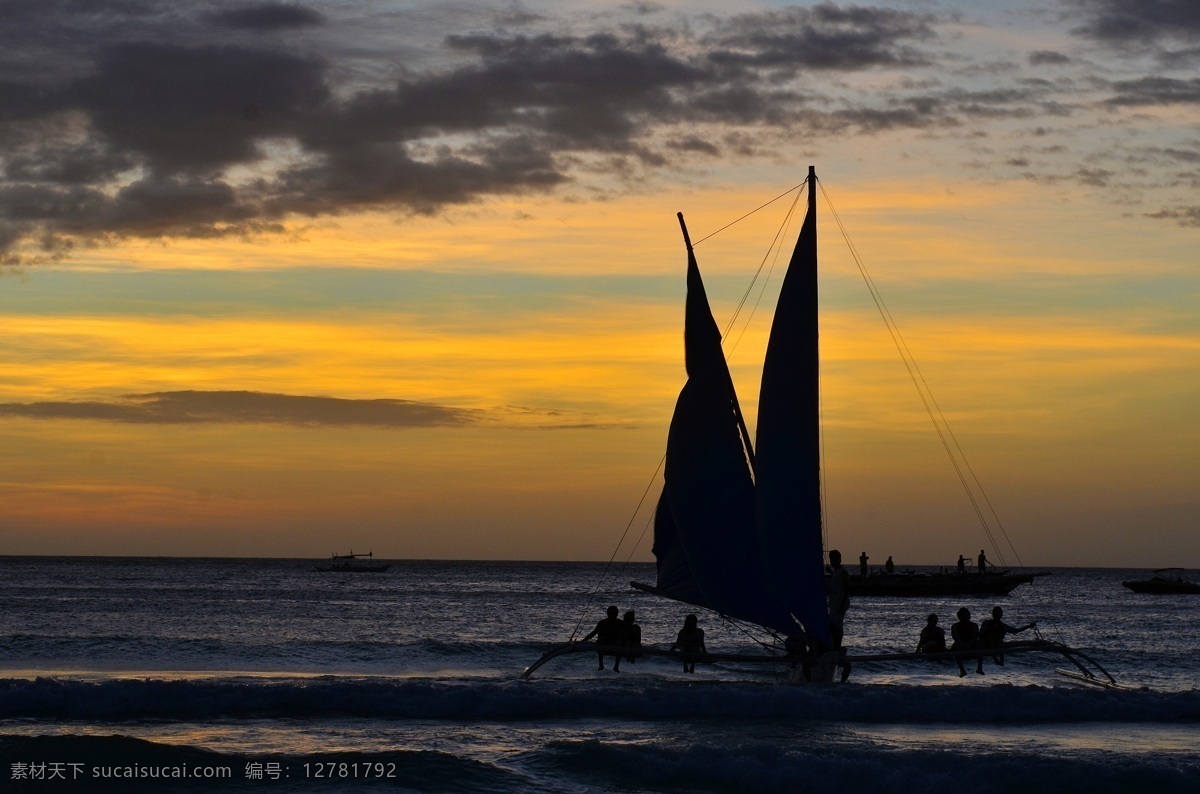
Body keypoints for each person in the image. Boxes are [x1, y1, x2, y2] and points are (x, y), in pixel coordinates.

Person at [581, 605, 624, 671]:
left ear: (617, 614)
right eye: (610, 613)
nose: (612, 615)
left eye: (614, 613)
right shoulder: (602, 622)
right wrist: (583, 640)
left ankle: (616, 665)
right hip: (604, 641)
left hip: (615, 642)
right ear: (608, 614)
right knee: (600, 640)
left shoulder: (620, 623)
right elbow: (594, 633)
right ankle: (601, 664)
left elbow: (625, 634)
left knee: (620, 642)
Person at [827, 549, 851, 649]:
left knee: (837, 627)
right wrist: (831, 572)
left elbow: (846, 588)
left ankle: (837, 646)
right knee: (832, 625)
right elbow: (836, 580)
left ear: (839, 560)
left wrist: (842, 604)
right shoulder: (836, 572)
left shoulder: (843, 572)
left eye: (834, 559)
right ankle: (833, 645)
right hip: (835, 604)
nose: (832, 561)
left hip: (840, 604)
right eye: (831, 559)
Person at [950, 606, 984, 676]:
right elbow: (955, 638)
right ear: (959, 617)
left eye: (968, 615)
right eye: (964, 615)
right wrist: (963, 645)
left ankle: (979, 668)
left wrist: (969, 644)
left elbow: (975, 637)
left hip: (971, 644)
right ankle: (962, 670)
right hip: (960, 645)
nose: (966, 617)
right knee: (957, 645)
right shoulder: (955, 626)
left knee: (979, 643)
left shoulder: (974, 625)